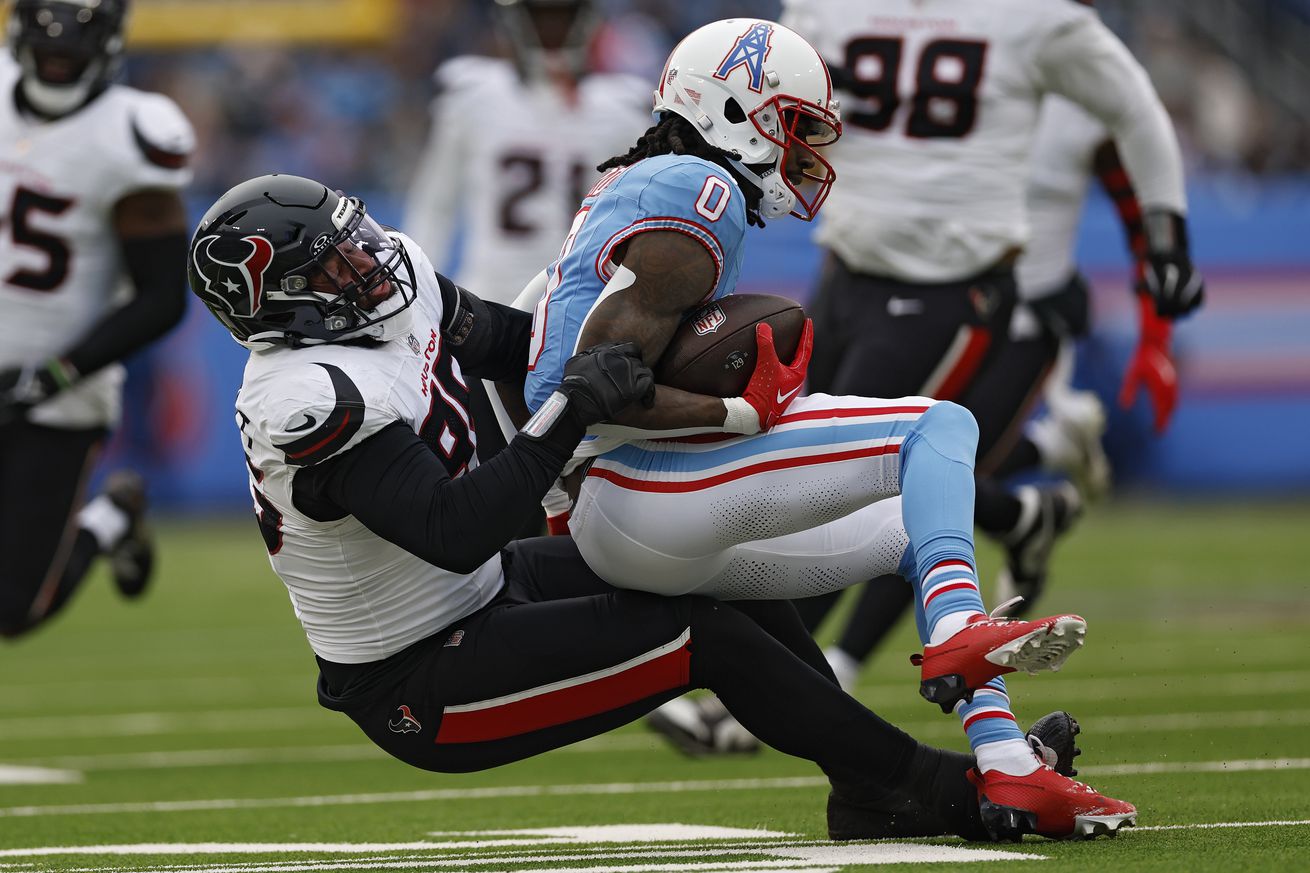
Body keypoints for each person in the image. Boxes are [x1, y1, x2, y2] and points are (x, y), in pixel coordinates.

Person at [189, 172, 1096, 844]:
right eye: (337, 264)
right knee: (706, 637)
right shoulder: (307, 397)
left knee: (698, 562)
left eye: (357, 242)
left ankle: (869, 789)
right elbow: (454, 530)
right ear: (279, 300)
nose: (367, 264)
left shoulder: (395, 296)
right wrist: (573, 409)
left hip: (488, 591)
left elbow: (513, 343)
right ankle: (942, 791)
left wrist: (637, 358)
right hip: (420, 680)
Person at [514, 18, 1133, 839]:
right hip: (633, 489)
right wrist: (733, 410)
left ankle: (1007, 770)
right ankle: (957, 634)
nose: (802, 145)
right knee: (936, 429)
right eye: (791, 122)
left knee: (915, 525)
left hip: (623, 494)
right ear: (732, 109)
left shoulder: (651, 181)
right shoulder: (697, 192)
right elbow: (575, 386)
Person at [776, 0, 1204, 681]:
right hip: (847, 267)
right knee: (814, 465)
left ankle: (812, 666)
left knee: (871, 477)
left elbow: (1134, 113)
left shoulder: (1035, 23)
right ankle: (1024, 512)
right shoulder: (842, 9)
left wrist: (1165, 246)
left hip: (964, 288)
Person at [403, 0, 650, 500]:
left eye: (562, 16)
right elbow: (435, 202)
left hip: (581, 310)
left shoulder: (623, 106)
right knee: (492, 474)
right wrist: (415, 294)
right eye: (541, 17)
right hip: (487, 310)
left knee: (585, 478)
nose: (551, 30)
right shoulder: (473, 96)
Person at [0, 0, 193, 639]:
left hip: (58, 396)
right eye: (48, 48)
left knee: (14, 609)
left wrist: (54, 375)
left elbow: (163, 295)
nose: (58, 62)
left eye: (72, 52)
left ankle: (112, 514)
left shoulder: (130, 133)